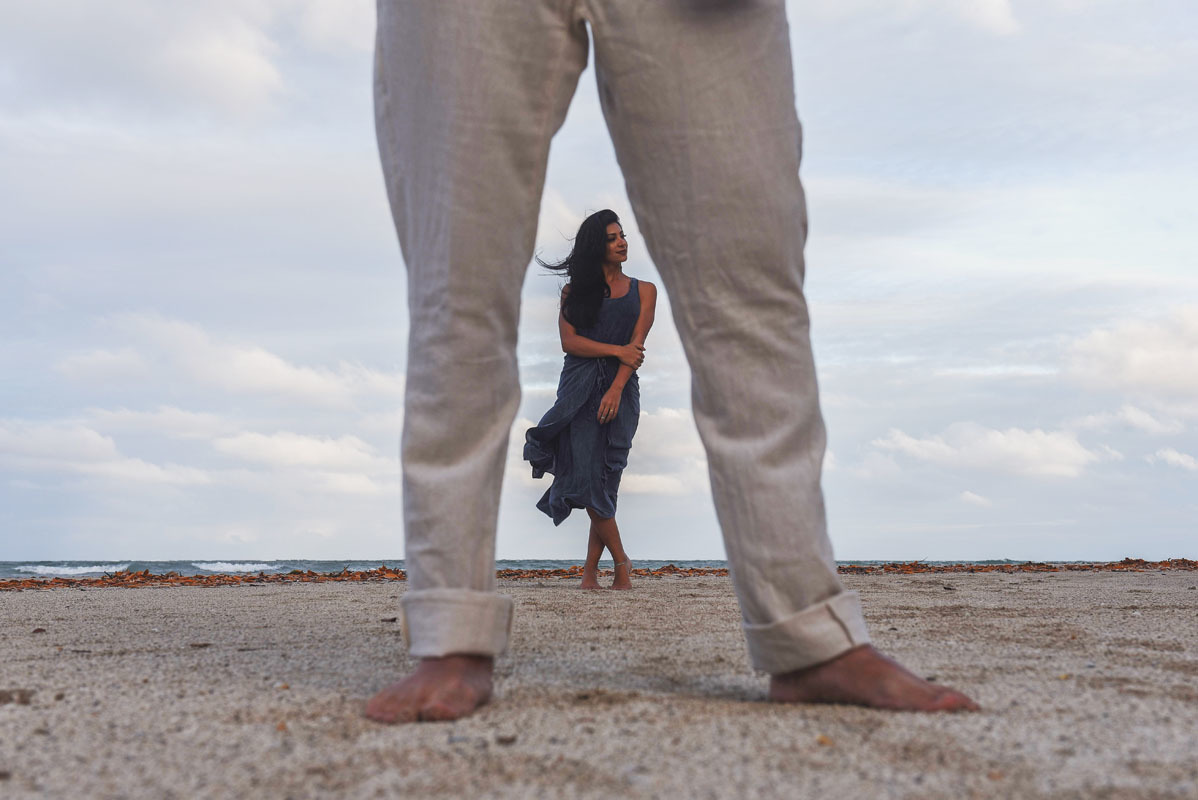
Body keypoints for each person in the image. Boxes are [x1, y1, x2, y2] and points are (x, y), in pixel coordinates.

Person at [366, 0, 979, 723]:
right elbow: (550, 330)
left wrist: (621, 369)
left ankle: (808, 633)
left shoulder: (638, 292)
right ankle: (448, 630)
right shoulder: (585, 292)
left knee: (750, 284)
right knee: (456, 290)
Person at [523, 210, 657, 590]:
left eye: (623, 235)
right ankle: (622, 562)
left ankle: (589, 574)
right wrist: (616, 352)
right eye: (613, 237)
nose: (622, 242)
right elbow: (571, 343)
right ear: (597, 246)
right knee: (584, 476)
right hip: (578, 389)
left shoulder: (645, 290)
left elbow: (636, 350)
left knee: (607, 477)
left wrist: (615, 387)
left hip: (622, 389)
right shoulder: (573, 293)